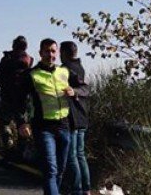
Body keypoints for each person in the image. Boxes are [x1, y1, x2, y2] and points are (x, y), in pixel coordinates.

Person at [17, 38, 74, 195]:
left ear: (57, 53)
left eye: (53, 51)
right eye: (47, 51)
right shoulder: (32, 75)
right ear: (40, 53)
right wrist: (22, 122)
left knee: (60, 170)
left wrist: (75, 92)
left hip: (64, 126)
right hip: (43, 127)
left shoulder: (65, 71)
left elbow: (85, 89)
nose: (50, 54)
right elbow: (19, 100)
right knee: (50, 169)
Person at [0, 35, 34, 160]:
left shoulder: (7, 59)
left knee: (4, 124)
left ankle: (9, 148)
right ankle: (21, 151)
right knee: (22, 125)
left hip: (7, 98)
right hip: (23, 99)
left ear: (13, 45)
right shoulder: (29, 60)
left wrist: (6, 87)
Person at [60, 41, 91, 195]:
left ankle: (76, 189)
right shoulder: (80, 67)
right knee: (80, 154)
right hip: (82, 116)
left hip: (72, 116)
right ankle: (86, 189)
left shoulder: (65, 69)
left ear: (64, 53)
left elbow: (82, 88)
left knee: (72, 156)